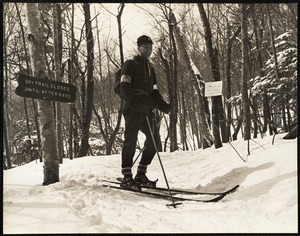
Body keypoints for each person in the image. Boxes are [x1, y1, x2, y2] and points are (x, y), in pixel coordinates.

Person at [119, 35, 171, 190]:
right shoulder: (130, 64)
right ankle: (127, 177)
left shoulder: (150, 68)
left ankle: (141, 174)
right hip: (133, 108)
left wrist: (163, 106)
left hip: (147, 108)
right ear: (139, 48)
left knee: (154, 141)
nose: (149, 50)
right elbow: (124, 86)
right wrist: (135, 104)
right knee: (130, 140)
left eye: (150, 47)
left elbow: (154, 91)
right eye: (145, 47)